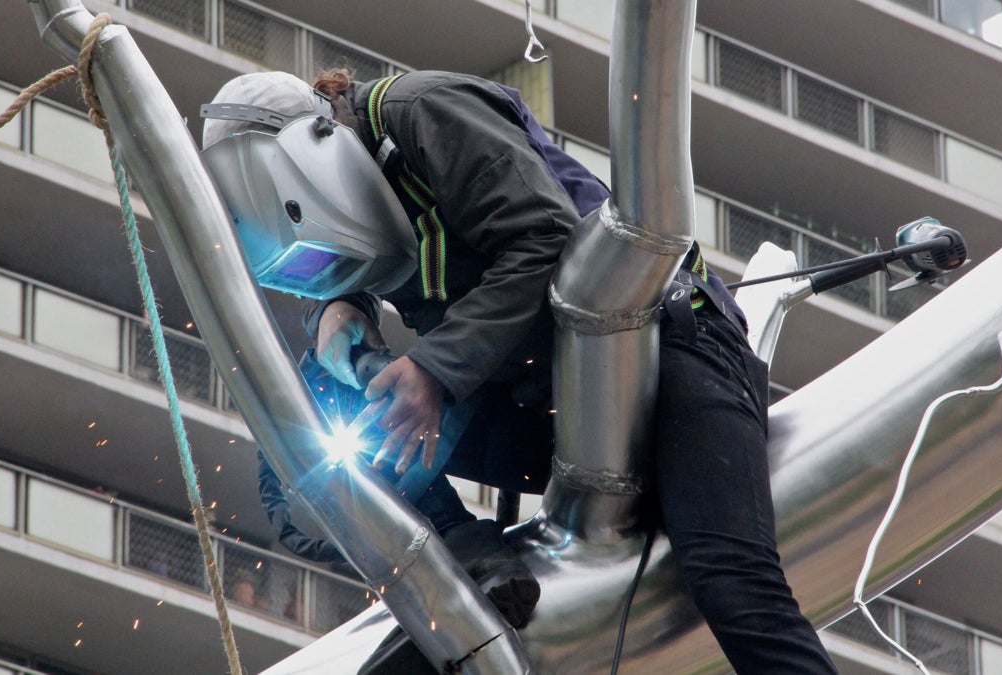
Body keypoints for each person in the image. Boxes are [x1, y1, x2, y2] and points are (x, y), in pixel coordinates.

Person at [201, 69, 837, 673]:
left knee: (731, 581)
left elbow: (548, 240)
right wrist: (338, 310)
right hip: (550, 404)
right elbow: (355, 248)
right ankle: (468, 555)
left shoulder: (424, 113)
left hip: (666, 352)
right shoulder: (342, 185)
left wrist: (435, 371)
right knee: (321, 394)